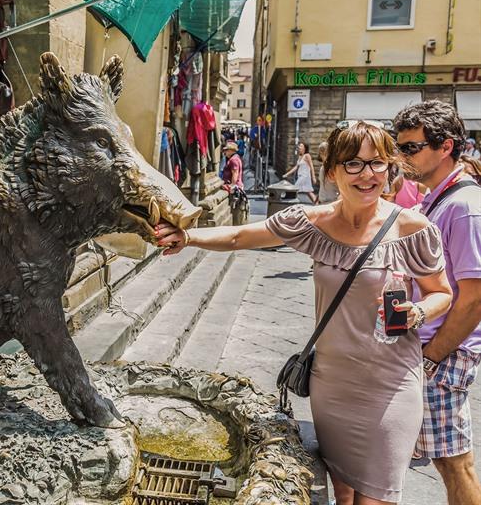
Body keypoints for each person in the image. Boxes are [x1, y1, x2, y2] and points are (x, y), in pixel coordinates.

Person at [156, 121, 453, 505]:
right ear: (332, 171)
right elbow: (238, 236)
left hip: (390, 383)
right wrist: (188, 237)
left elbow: (441, 293)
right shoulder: (312, 222)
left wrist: (418, 310)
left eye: (378, 163)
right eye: (354, 164)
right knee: (342, 492)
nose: (368, 174)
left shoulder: (414, 229)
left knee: (375, 497)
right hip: (331, 384)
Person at [393, 100, 481, 505]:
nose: (401, 156)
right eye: (400, 147)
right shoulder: (437, 199)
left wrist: (431, 357)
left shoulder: (464, 207)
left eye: (410, 147)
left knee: (454, 462)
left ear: (445, 147)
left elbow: (475, 300)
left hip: (444, 353)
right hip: (429, 348)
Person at [317, 139, 339, 204]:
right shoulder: (323, 167)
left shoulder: (332, 167)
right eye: (321, 152)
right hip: (322, 200)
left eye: (323, 151)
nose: (322, 154)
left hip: (332, 201)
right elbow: (322, 185)